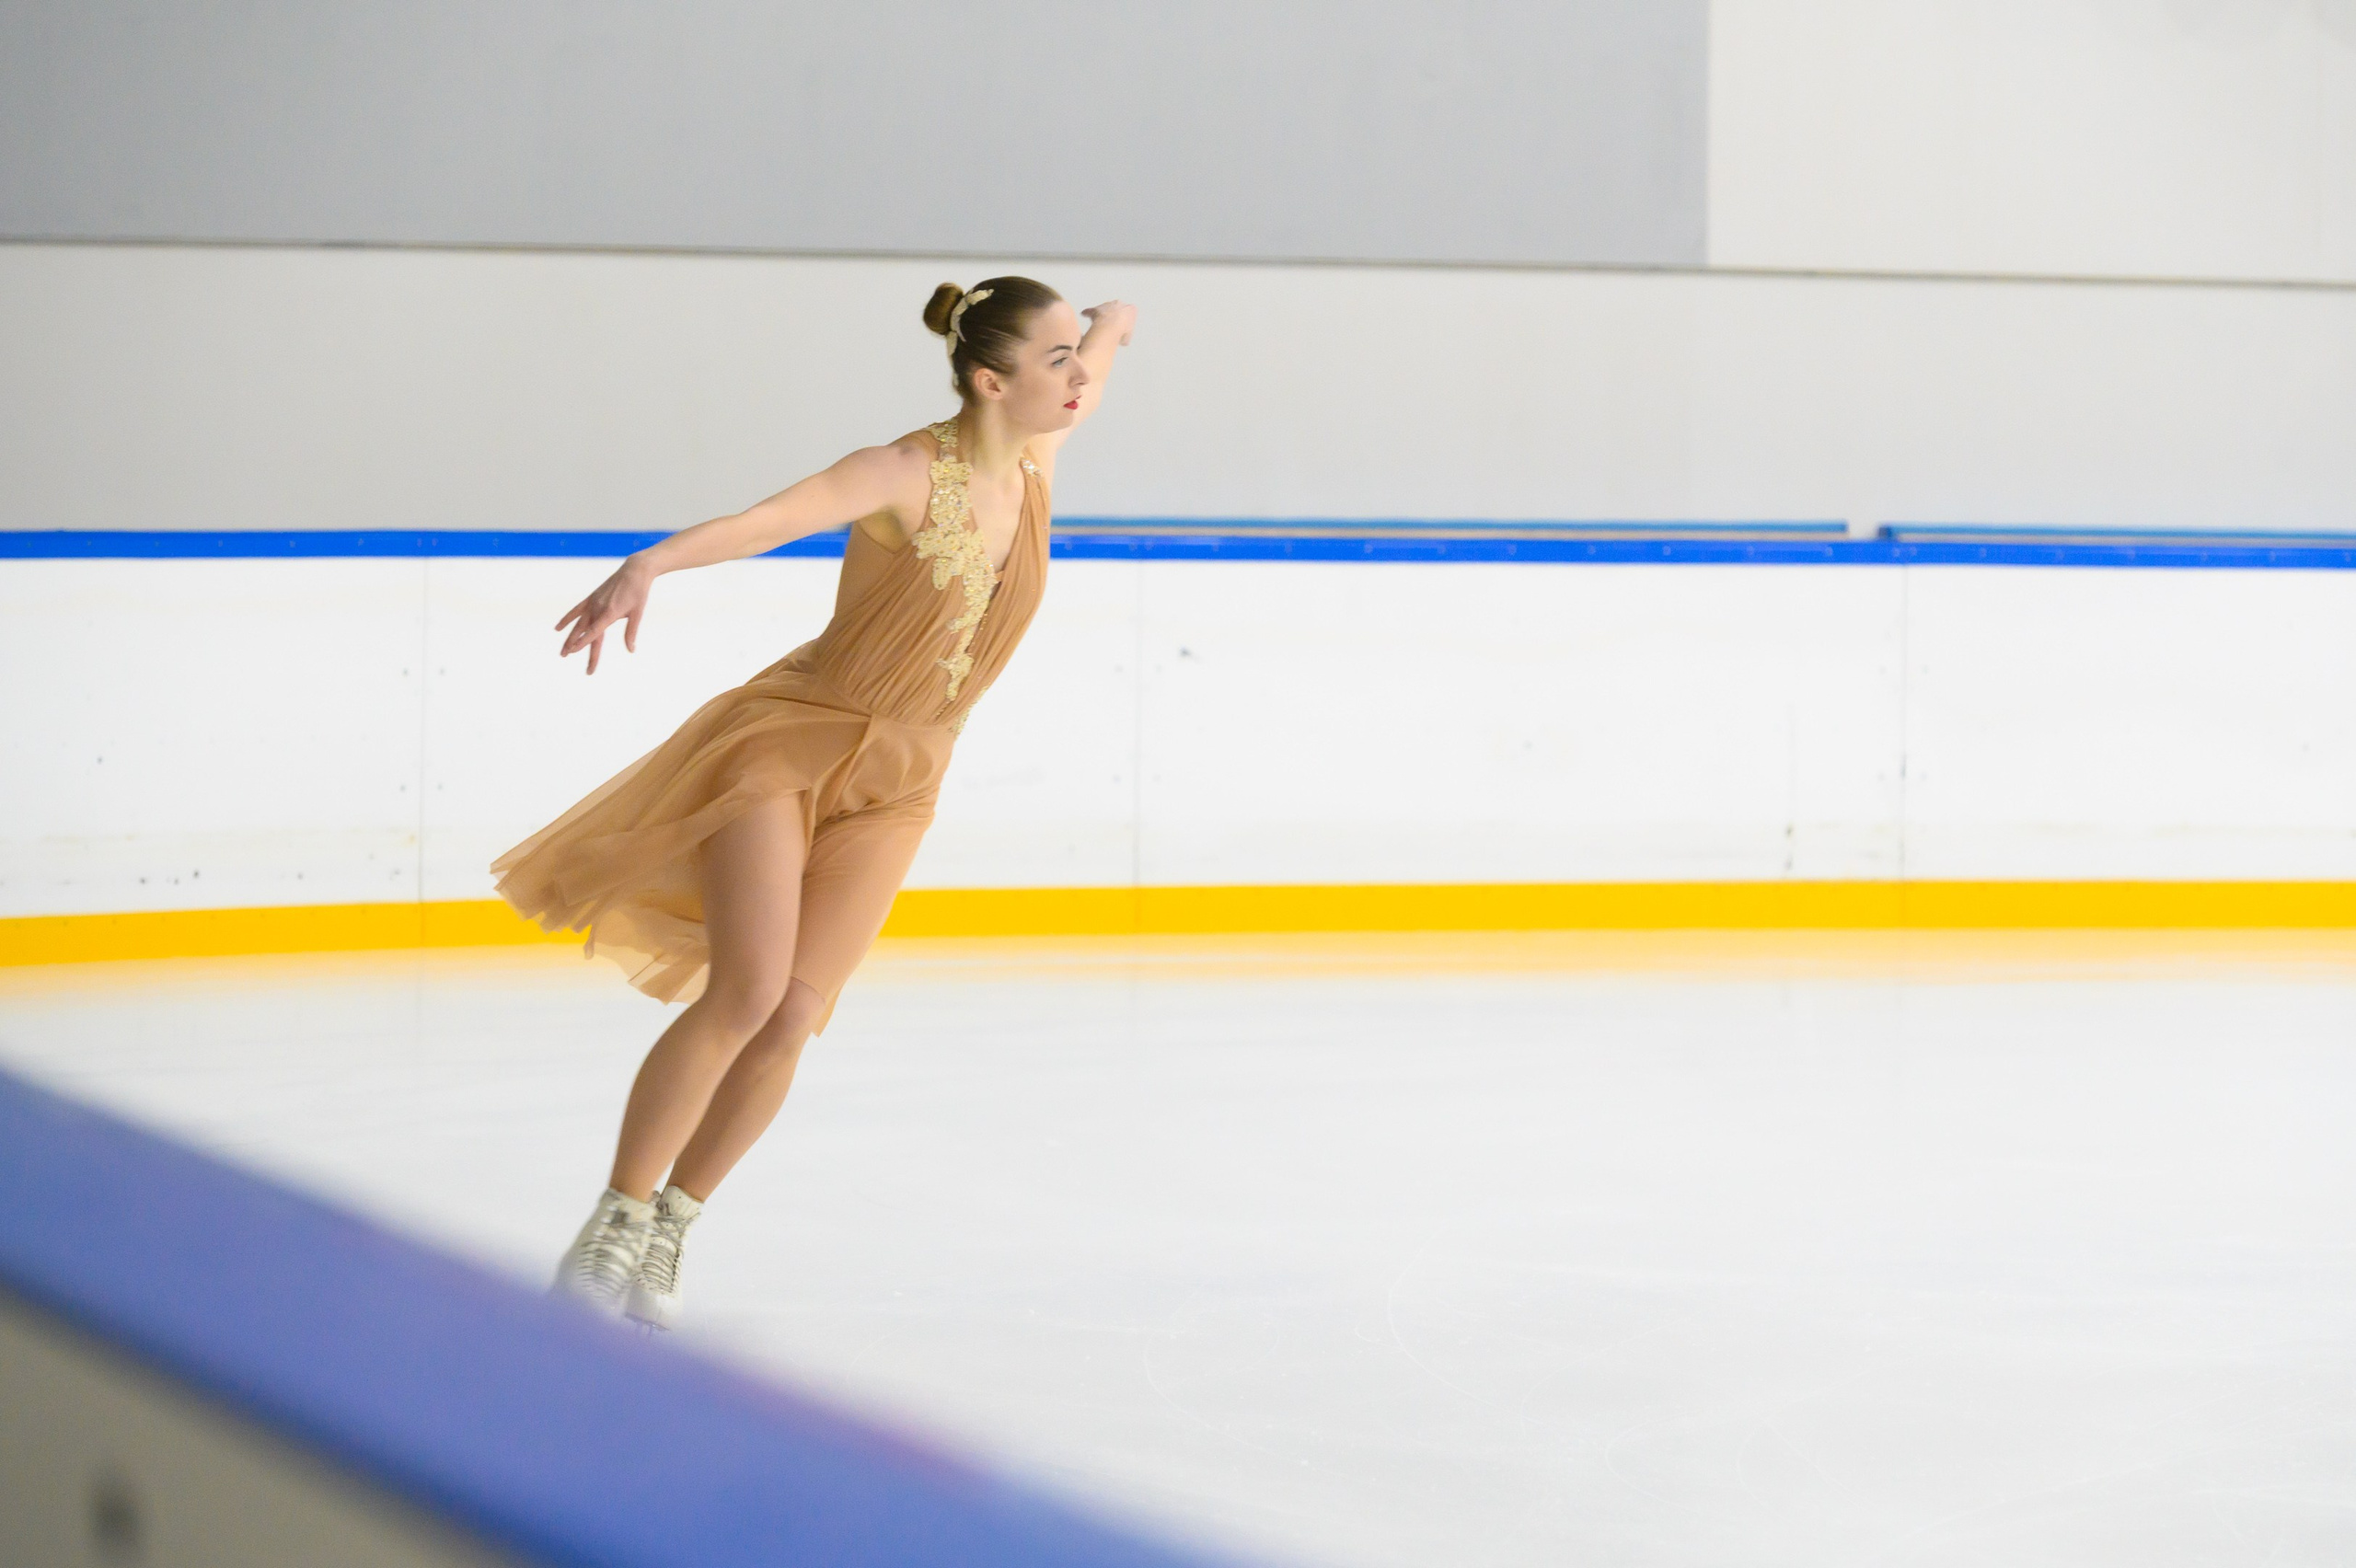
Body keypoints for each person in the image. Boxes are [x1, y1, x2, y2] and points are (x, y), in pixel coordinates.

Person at [494, 278, 1138, 1327]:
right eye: (1054, 360)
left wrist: (1110, 326)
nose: (1077, 381)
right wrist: (649, 563)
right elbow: (770, 520)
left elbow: (1096, 369)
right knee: (746, 993)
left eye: (1074, 360)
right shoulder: (897, 473)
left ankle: (670, 1231)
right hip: (794, 743)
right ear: (990, 380)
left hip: (906, 778)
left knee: (798, 1011)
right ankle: (615, 1218)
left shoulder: (1037, 462)